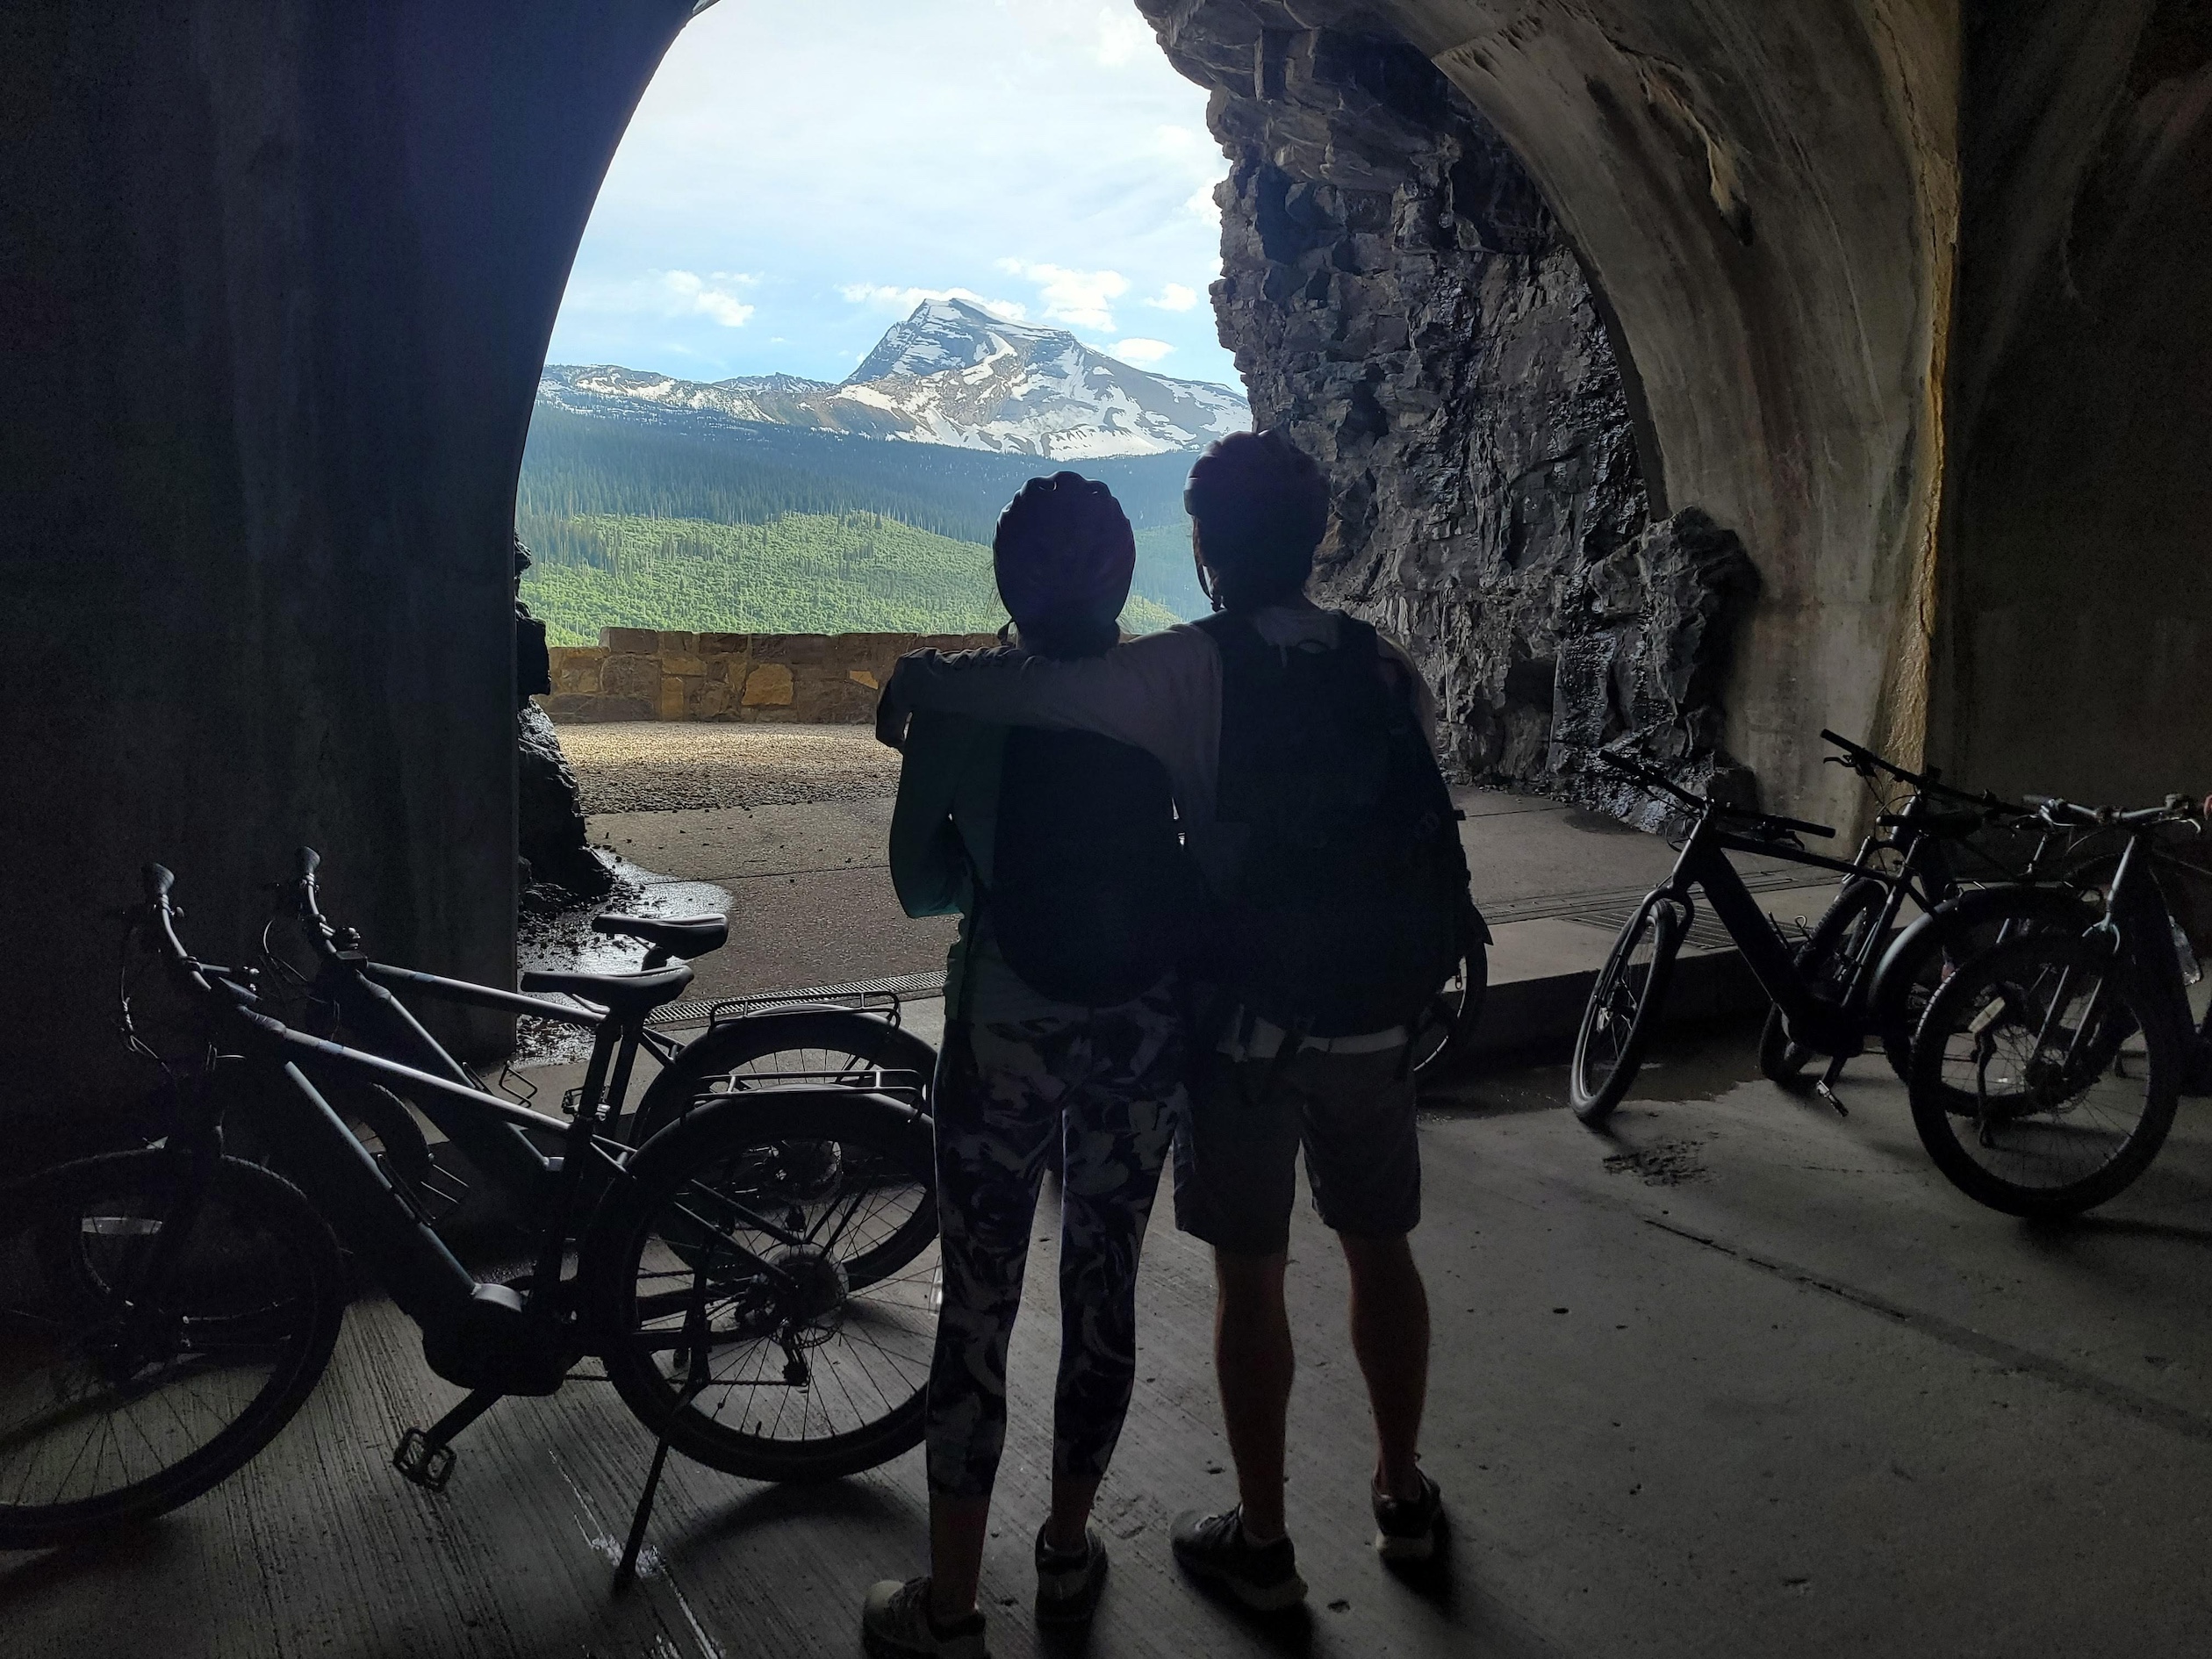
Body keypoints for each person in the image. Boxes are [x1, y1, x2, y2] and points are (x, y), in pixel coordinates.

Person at [875, 429, 1477, 1612]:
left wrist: (919, 682)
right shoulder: (1376, 663)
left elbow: (993, 752)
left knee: (1177, 1285)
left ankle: (1205, 1552)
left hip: (1184, 1026)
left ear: (1204, 549)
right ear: (1316, 541)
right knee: (1328, 1255)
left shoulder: (1182, 671)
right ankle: (1380, 1498)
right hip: (1318, 1020)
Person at [861, 473, 1196, 1659]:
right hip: (1142, 1026)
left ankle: (951, 1606)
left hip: (1003, 1023)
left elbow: (917, 881)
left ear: (1008, 581)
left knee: (979, 1305)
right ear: (1122, 577)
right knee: (1104, 1282)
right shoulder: (1161, 696)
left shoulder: (967, 707)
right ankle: (1065, 1550)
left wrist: (987, 884)